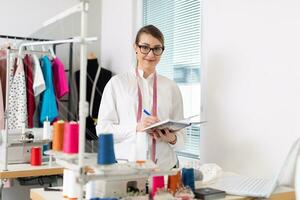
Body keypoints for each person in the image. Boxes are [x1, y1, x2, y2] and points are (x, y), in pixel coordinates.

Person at [96, 25, 185, 170]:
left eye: (157, 49)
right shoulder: (117, 84)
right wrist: (136, 128)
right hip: (126, 170)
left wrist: (171, 138)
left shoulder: (171, 87)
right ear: (135, 48)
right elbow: (102, 130)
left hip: (166, 169)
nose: (151, 54)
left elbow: (182, 138)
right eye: (145, 47)